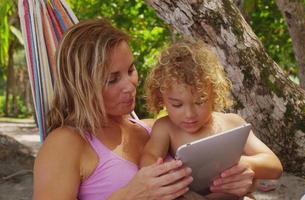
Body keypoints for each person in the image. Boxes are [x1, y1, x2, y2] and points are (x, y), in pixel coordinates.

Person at [33, 19, 194, 200]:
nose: (130, 86)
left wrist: (229, 182)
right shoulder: (66, 143)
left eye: (131, 70)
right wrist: (128, 196)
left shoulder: (155, 129)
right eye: (112, 79)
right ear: (82, 86)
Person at [140, 40, 283, 198]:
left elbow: (274, 165)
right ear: (162, 99)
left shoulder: (232, 123)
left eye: (200, 101)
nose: (189, 114)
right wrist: (164, 173)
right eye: (177, 105)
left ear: (214, 93)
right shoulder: (166, 127)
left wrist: (247, 164)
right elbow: (149, 157)